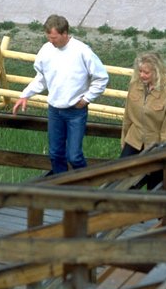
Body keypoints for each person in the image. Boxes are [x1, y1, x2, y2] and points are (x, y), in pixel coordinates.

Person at [12, 14, 109, 175]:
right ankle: (62, 189)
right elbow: (41, 78)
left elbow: (101, 78)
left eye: (54, 38)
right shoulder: (45, 51)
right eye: (49, 37)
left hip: (75, 112)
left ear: (65, 34)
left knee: (74, 156)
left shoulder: (82, 51)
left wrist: (86, 99)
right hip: (54, 111)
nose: (51, 41)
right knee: (56, 154)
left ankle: (87, 188)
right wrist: (25, 95)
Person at [120, 52, 166, 189]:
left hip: (155, 144)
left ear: (157, 72)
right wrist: (123, 140)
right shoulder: (134, 85)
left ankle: (153, 208)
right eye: (140, 71)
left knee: (155, 184)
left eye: (146, 72)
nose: (141, 75)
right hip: (133, 139)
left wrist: (162, 151)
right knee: (122, 177)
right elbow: (127, 117)